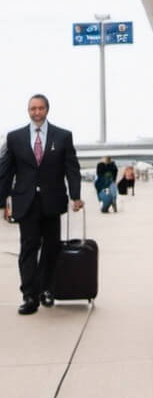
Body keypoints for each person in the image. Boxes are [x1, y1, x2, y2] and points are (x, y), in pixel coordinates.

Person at [0, 94, 83, 314]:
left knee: (51, 247)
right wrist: (2, 202)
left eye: (40, 108)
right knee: (28, 248)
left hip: (52, 201)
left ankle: (47, 289)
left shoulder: (63, 136)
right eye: (32, 109)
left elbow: (72, 168)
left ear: (47, 109)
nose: (36, 112)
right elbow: (6, 172)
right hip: (25, 202)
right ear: (28, 111)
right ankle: (29, 295)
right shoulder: (14, 137)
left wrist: (76, 195)